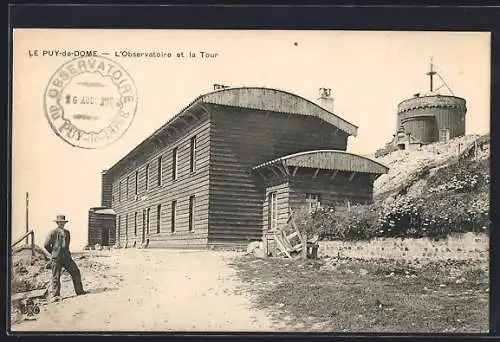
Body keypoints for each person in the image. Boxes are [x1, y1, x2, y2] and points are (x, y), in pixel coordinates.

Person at [44, 214, 86, 302]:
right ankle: (55, 295)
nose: (62, 224)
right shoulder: (53, 232)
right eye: (60, 222)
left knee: (76, 272)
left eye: (63, 222)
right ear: (57, 223)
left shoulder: (67, 233)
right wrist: (53, 252)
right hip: (56, 258)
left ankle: (79, 291)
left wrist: (66, 253)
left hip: (67, 257)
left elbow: (67, 245)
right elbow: (46, 245)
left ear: (65, 223)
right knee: (56, 276)